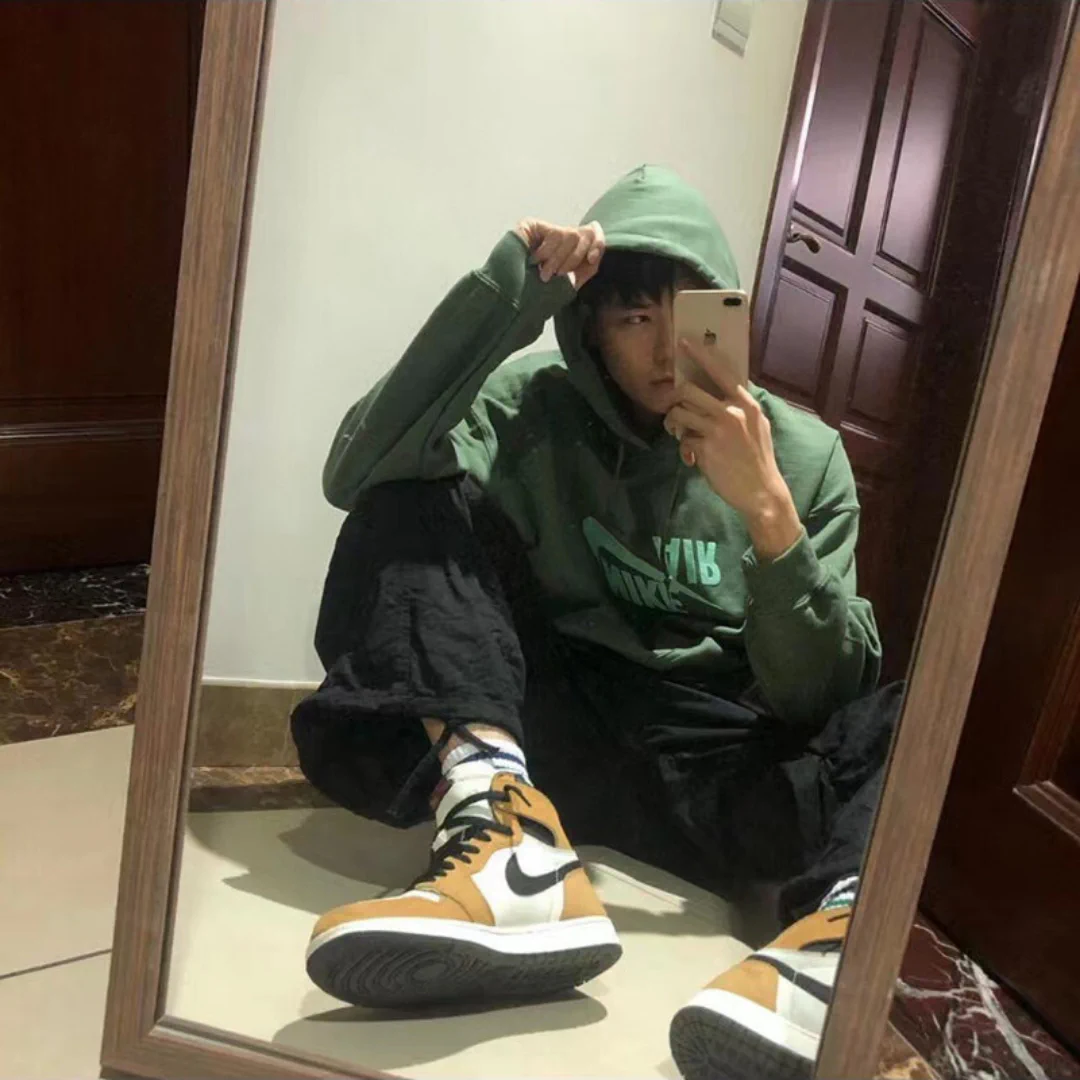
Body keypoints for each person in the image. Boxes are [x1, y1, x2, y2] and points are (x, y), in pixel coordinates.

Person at [292, 165, 899, 1080]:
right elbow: (358, 476)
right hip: (558, 735)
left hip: (718, 763)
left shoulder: (805, 456)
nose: (666, 351)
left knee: (920, 703)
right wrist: (508, 296)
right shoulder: (531, 403)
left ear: (730, 316)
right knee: (410, 495)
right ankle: (510, 855)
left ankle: (839, 956)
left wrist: (770, 515)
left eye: (690, 317)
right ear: (588, 328)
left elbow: (818, 697)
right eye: (634, 319)